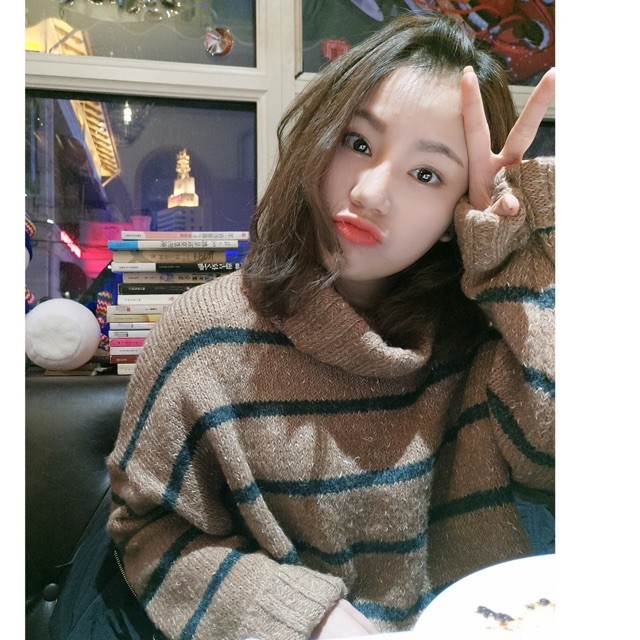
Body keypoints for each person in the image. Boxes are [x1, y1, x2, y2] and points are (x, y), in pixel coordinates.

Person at [105, 12, 555, 640]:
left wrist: (513, 253)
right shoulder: (204, 338)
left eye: (427, 174)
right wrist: (299, 616)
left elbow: (557, 456)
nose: (370, 193)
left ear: (459, 212)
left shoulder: (480, 340)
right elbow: (148, 531)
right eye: (357, 142)